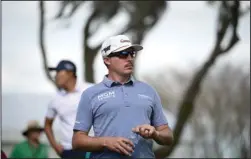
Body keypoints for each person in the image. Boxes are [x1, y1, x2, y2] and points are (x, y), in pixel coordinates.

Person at [72, 35, 174, 158]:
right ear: (107, 60)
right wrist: (106, 142)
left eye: (132, 54)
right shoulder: (90, 94)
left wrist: (155, 134)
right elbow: (77, 141)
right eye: (123, 54)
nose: (129, 58)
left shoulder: (148, 90)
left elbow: (168, 136)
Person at [44, 60, 93, 158]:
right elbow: (47, 125)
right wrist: (56, 147)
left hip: (92, 149)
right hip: (68, 152)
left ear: (70, 73)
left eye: (58, 72)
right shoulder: (55, 99)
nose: (56, 76)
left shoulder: (91, 89)